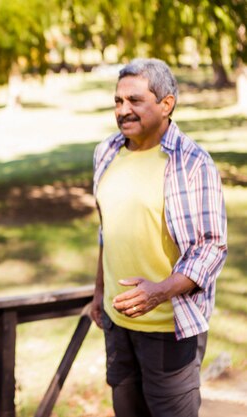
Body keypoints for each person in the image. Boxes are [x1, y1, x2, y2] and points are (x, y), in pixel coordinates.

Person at [90, 58, 227, 417]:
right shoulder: (106, 151)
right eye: (118, 102)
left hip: (170, 328)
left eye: (135, 100)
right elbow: (109, 229)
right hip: (117, 325)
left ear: (166, 104)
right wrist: (99, 291)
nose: (123, 110)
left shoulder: (193, 162)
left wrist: (160, 291)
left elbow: (210, 248)